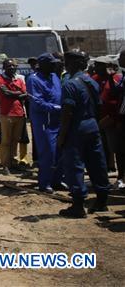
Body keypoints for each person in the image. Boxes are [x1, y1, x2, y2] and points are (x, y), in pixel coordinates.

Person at [58, 50, 109, 217]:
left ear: (75, 64)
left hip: (76, 129)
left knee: (74, 165)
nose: (66, 65)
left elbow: (67, 112)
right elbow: (99, 106)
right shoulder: (90, 82)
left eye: (68, 62)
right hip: (92, 126)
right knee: (97, 163)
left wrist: (62, 136)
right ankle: (101, 201)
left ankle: (78, 205)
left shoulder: (70, 84)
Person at [29, 53, 65, 192]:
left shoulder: (55, 76)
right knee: (48, 153)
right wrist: (57, 108)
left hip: (58, 120)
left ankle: (57, 180)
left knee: (60, 152)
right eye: (51, 63)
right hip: (45, 122)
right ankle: (45, 183)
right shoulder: (33, 79)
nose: (55, 65)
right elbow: (37, 102)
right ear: (42, 64)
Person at [92, 57, 124, 189]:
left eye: (100, 66)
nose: (96, 68)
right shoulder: (93, 79)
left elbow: (117, 97)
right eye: (96, 65)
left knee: (118, 150)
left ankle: (121, 177)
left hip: (113, 120)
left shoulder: (118, 78)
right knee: (103, 148)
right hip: (98, 120)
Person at [0, 58, 28, 173]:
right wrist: (18, 94)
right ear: (4, 68)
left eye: (14, 66)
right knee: (6, 141)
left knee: (15, 140)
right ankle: (5, 165)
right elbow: (6, 93)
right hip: (6, 114)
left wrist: (16, 94)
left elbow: (24, 94)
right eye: (9, 66)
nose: (12, 68)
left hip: (19, 113)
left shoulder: (19, 79)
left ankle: (13, 162)